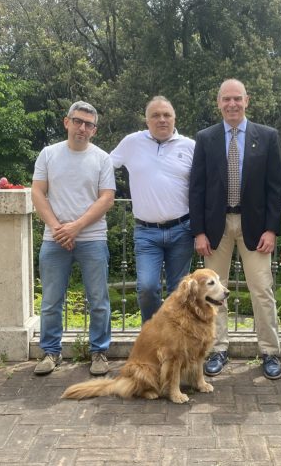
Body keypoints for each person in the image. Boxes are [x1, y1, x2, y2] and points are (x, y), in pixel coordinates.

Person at [189, 78, 281, 380]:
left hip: (255, 227)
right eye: (226, 99)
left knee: (262, 290)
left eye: (237, 99)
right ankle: (218, 349)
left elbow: (274, 188)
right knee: (213, 294)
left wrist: (272, 229)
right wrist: (199, 232)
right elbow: (197, 188)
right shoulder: (206, 138)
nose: (232, 104)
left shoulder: (267, 137)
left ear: (247, 100)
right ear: (218, 103)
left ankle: (269, 351)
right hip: (216, 228)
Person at [31, 101, 116, 376]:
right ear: (66, 122)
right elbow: (37, 192)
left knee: (98, 299)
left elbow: (107, 198)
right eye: (77, 121)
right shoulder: (48, 154)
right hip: (54, 238)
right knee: (51, 300)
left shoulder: (102, 158)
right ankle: (50, 353)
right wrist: (59, 228)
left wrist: (75, 227)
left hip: (92, 238)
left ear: (94, 130)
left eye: (88, 124)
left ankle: (99, 353)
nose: (82, 127)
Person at [110, 96, 195, 323]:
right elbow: (104, 166)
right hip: (146, 232)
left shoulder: (190, 146)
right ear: (147, 120)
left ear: (175, 118)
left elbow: (204, 186)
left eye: (167, 115)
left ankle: (176, 343)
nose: (162, 119)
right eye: (155, 115)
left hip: (182, 230)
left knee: (179, 293)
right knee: (147, 288)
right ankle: (154, 336)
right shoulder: (131, 143)